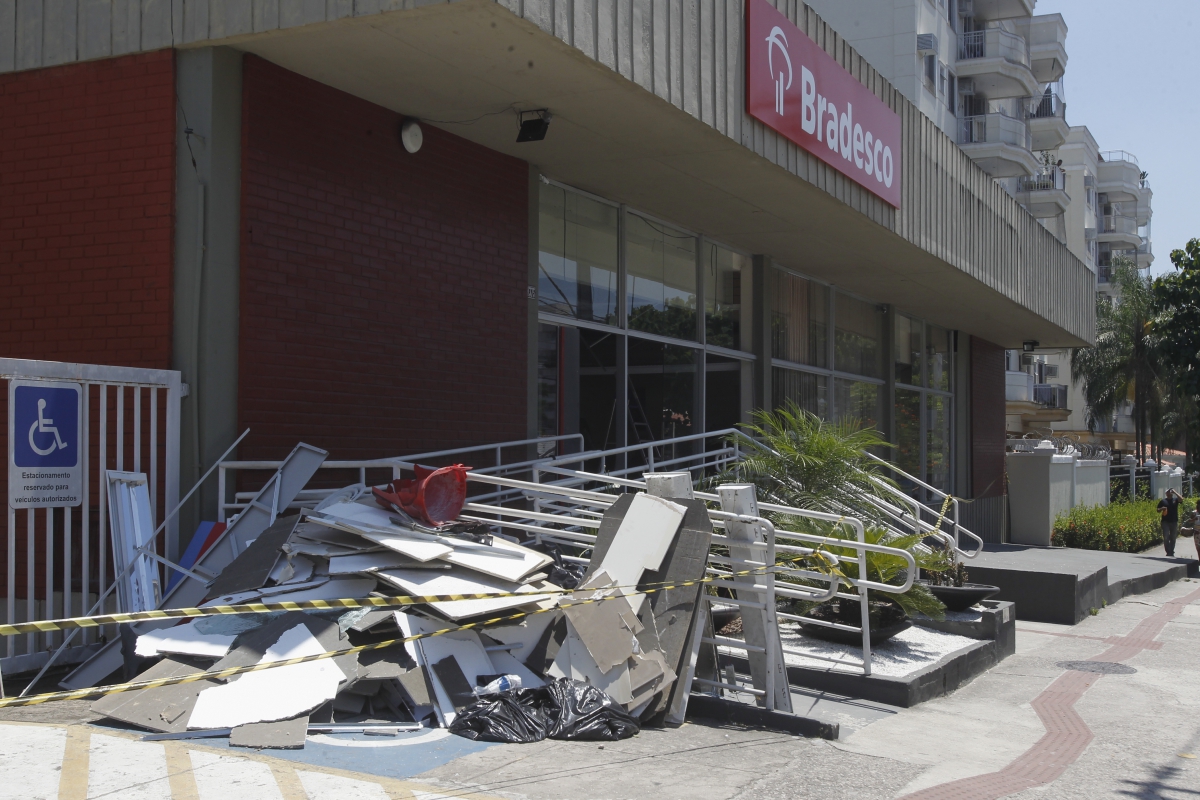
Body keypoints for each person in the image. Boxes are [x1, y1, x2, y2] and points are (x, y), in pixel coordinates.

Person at [1158, 489, 1184, 557]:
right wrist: (1161, 509)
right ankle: (1168, 551)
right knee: (1166, 536)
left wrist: (1175, 492)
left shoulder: (1175, 500)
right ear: (1166, 493)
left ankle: (1171, 551)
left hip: (1174, 521)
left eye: (1170, 491)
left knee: (1173, 537)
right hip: (1165, 521)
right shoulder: (1163, 501)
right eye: (1167, 492)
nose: (1169, 492)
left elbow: (1181, 499)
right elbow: (1157, 509)